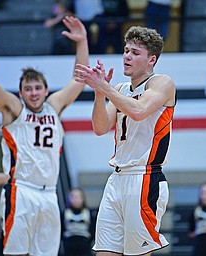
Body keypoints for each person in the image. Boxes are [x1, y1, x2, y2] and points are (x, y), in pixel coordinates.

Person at [0, 12, 89, 256]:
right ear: (21, 93)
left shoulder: (54, 106)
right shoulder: (14, 109)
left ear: (46, 90)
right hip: (21, 190)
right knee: (16, 253)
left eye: (37, 88)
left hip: (50, 194)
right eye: (28, 89)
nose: (33, 93)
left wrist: (82, 42)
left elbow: (79, 80)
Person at [73, 25, 176, 256]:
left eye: (135, 53)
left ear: (152, 60)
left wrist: (104, 87)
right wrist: (100, 93)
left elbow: (139, 111)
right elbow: (100, 128)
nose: (127, 56)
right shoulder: (119, 89)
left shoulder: (162, 83)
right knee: (104, 252)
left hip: (144, 177)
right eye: (126, 50)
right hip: (116, 179)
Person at [61, 188, 96, 256]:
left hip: (85, 247)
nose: (75, 199)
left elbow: (93, 231)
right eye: (72, 197)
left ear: (82, 198)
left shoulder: (89, 213)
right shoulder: (64, 214)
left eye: (77, 197)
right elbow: (61, 231)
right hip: (69, 248)